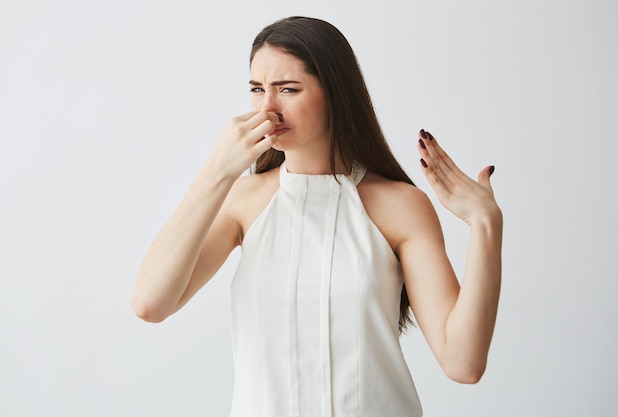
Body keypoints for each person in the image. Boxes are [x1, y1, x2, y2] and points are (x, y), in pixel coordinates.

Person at [131, 16, 503, 417]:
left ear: (335, 94)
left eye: (288, 89)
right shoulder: (244, 200)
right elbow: (151, 304)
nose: (268, 108)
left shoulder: (400, 206)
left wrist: (486, 225)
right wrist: (217, 170)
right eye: (258, 90)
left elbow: (463, 363)